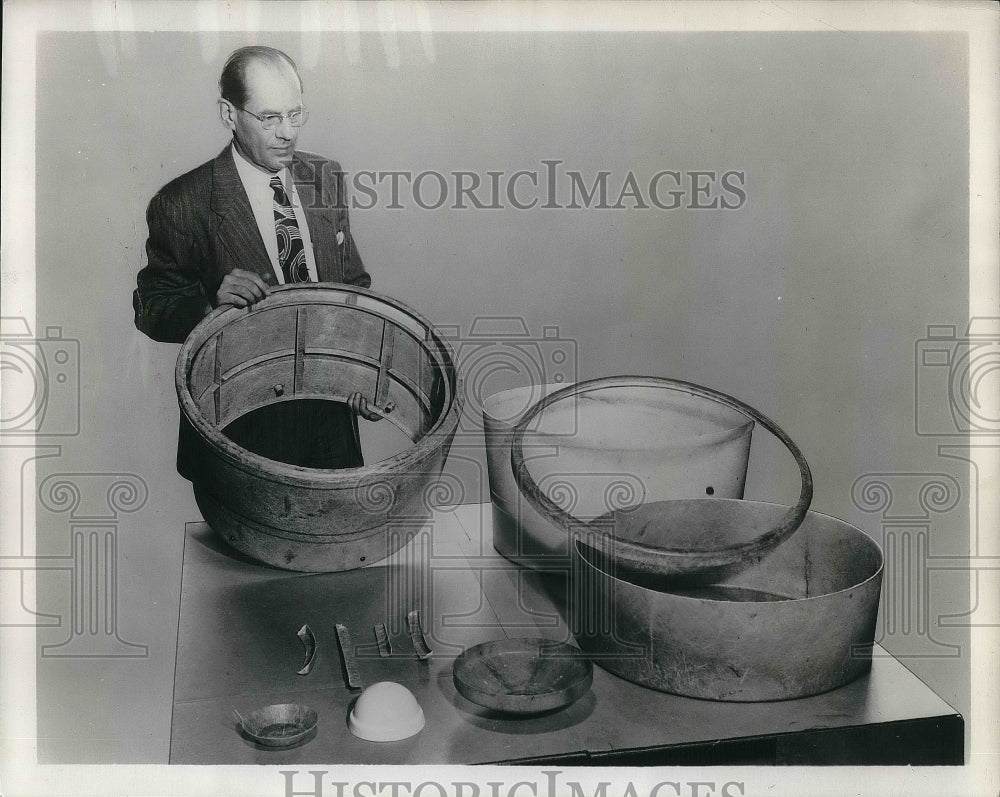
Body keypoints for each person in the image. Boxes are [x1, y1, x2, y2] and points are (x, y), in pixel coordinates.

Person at [133, 45, 379, 469]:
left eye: (296, 114)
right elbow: (151, 308)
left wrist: (360, 375)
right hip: (240, 437)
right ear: (229, 115)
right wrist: (210, 303)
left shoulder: (326, 177)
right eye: (270, 118)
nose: (288, 132)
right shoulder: (182, 203)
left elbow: (352, 289)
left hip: (330, 428)